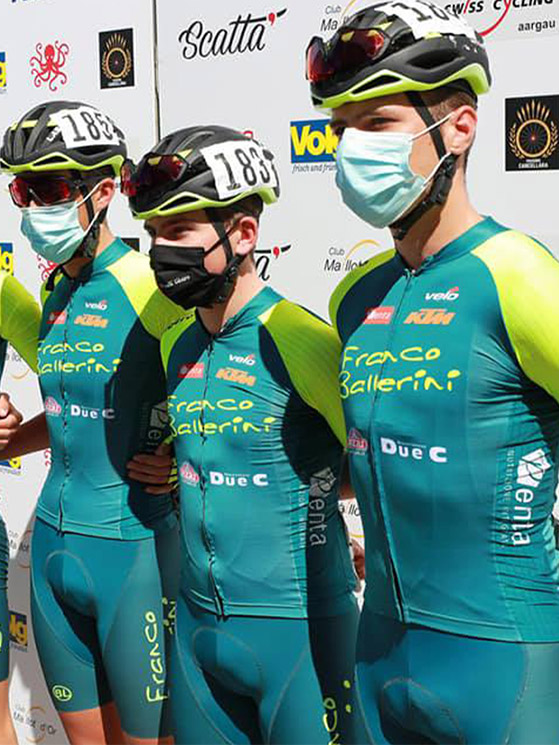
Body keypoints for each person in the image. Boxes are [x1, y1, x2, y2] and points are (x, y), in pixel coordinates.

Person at [306, 2, 559, 743]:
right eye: (342, 127)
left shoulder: (516, 275)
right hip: (379, 652)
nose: (353, 147)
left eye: (378, 122)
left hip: (503, 663)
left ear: (459, 126)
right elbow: (366, 453)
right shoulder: (355, 297)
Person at [122, 125, 363, 744]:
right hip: (198, 627)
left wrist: (324, 506)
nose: (161, 250)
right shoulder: (177, 343)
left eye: (180, 231)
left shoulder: (300, 337)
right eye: (154, 233)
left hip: (301, 631)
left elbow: (380, 464)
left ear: (245, 234)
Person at [0, 100, 185, 745]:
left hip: (132, 551)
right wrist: (14, 436)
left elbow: (222, 395)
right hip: (54, 552)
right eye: (23, 191)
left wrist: (180, 458)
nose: (33, 207)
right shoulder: (55, 291)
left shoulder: (149, 285)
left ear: (103, 192)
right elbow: (71, 411)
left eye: (50, 190)